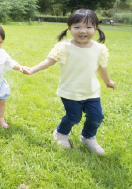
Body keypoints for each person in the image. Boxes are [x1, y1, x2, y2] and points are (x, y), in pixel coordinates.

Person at [23, 9, 116, 155]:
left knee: (96, 116)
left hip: (91, 91)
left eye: (88, 27)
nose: (82, 31)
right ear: (69, 28)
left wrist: (108, 81)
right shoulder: (64, 47)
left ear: (96, 28)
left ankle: (88, 137)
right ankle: (60, 133)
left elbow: (101, 68)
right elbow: (49, 61)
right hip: (70, 91)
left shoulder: (99, 49)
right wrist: (32, 69)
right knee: (74, 117)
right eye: (77, 27)